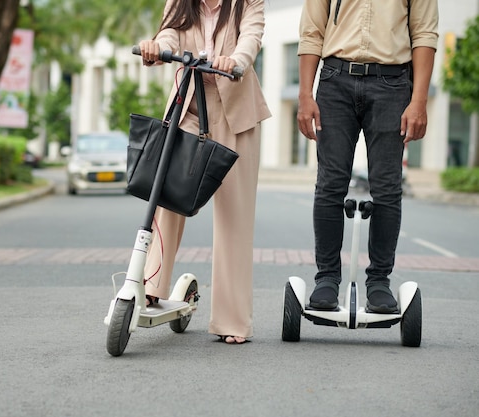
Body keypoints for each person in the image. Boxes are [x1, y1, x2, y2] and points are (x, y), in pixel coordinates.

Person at [138, 0, 271, 344]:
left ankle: (232, 320)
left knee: (234, 219)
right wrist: (159, 47)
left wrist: (236, 61)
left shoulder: (247, 2)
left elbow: (251, 37)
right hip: (190, 107)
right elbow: (171, 32)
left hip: (236, 113)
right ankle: (151, 288)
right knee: (167, 197)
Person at [296, 0, 438, 312]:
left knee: (387, 187)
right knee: (330, 183)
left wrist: (419, 101)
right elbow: (311, 33)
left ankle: (379, 281)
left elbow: (425, 35)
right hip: (335, 80)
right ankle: (327, 279)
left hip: (393, 83)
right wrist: (305, 95)